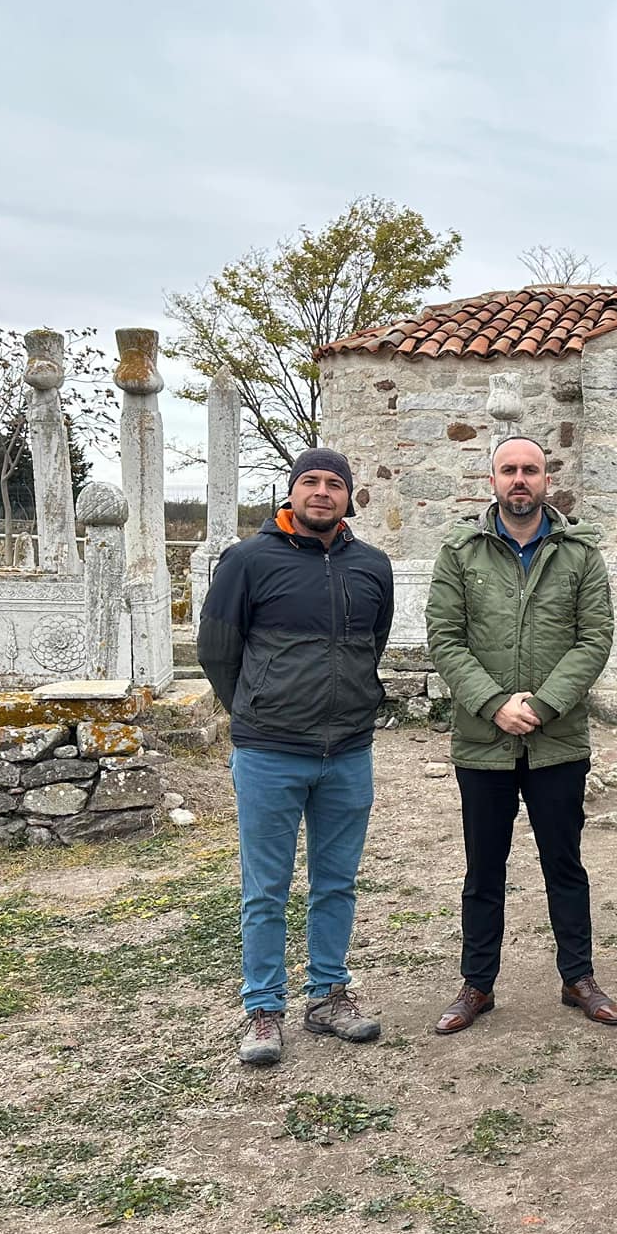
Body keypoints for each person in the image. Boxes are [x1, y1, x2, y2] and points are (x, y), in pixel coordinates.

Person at [200, 448, 393, 1067]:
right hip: (269, 753)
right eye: (310, 481)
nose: (321, 492)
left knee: (336, 883)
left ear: (349, 497)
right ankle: (263, 1008)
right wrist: (257, 710)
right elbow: (216, 650)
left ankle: (329, 995)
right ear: (291, 492)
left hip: (347, 753)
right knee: (267, 887)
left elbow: (373, 644)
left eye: (334, 483)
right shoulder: (249, 561)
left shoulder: (372, 566)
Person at [424, 435, 617, 1033]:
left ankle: (578, 977)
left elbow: (595, 637)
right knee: (484, 867)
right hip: (483, 742)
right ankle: (477, 985)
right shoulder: (460, 551)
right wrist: (492, 704)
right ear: (492, 480)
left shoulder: (580, 551)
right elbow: (444, 637)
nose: (519, 480)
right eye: (508, 470)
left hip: (556, 740)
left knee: (565, 863)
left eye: (530, 470)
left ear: (546, 478)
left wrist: (541, 704)